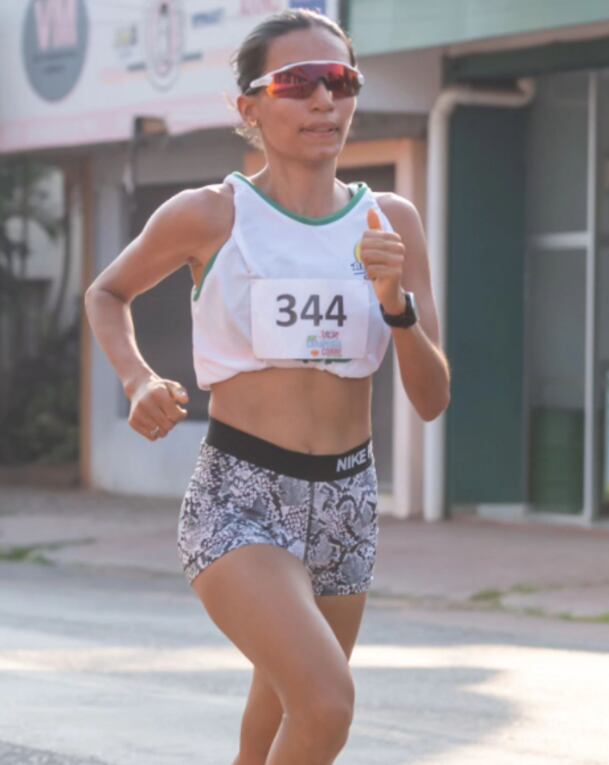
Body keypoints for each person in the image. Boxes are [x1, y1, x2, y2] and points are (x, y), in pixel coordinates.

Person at [84, 8, 450, 765]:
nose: (325, 101)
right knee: (325, 701)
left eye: (340, 80)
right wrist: (137, 375)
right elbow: (106, 293)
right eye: (298, 82)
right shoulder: (213, 214)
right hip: (240, 493)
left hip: (348, 499)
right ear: (248, 106)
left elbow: (432, 396)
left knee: (280, 711)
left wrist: (395, 304)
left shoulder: (392, 222)